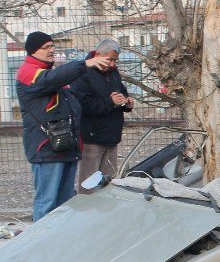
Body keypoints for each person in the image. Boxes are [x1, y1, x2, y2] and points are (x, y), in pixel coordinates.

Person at [16, 31, 112, 220]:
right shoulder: (29, 72)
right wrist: (83, 64)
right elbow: (51, 80)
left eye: (52, 46)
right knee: (47, 202)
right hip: (47, 149)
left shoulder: (50, 74)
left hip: (65, 147)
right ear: (33, 51)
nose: (51, 50)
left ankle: (61, 242)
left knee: (65, 202)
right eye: (46, 47)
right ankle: (41, 244)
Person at [72, 39, 134, 193]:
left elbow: (122, 92)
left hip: (111, 136)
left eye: (115, 60)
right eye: (110, 59)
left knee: (108, 182)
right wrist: (110, 102)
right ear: (98, 55)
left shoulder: (113, 72)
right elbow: (83, 104)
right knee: (89, 184)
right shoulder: (83, 73)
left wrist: (126, 102)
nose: (112, 64)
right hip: (92, 138)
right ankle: (87, 213)